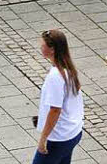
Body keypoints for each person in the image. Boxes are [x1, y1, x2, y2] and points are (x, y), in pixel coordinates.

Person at [34, 30, 84, 164]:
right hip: (73, 132)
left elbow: (55, 110)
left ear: (52, 49)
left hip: (59, 137)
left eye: (43, 45)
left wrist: (43, 138)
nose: (40, 47)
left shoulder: (55, 76)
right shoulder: (68, 69)